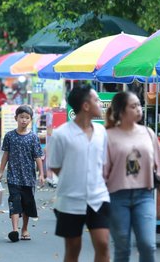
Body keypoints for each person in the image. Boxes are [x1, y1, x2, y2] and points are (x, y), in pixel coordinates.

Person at [104, 91, 160, 262]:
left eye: (139, 105)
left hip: (145, 196)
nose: (139, 109)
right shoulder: (108, 136)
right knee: (122, 248)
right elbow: (102, 173)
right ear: (121, 111)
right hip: (117, 197)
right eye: (133, 106)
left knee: (148, 246)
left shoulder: (148, 133)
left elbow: (157, 169)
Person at [47, 85, 110, 262]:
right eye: (96, 100)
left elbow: (103, 162)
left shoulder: (101, 132)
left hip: (98, 197)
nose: (100, 104)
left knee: (103, 243)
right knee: (73, 247)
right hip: (70, 200)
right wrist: (74, 177)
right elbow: (56, 166)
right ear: (86, 106)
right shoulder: (62, 134)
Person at [0, 105, 44, 242]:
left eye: (27, 118)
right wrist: (1, 171)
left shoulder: (33, 137)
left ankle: (25, 229)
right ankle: (15, 230)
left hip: (28, 177)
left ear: (30, 120)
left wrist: (41, 174)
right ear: (16, 118)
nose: (24, 120)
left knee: (27, 204)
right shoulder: (9, 136)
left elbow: (38, 157)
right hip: (13, 177)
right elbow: (6, 154)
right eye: (21, 117)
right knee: (14, 202)